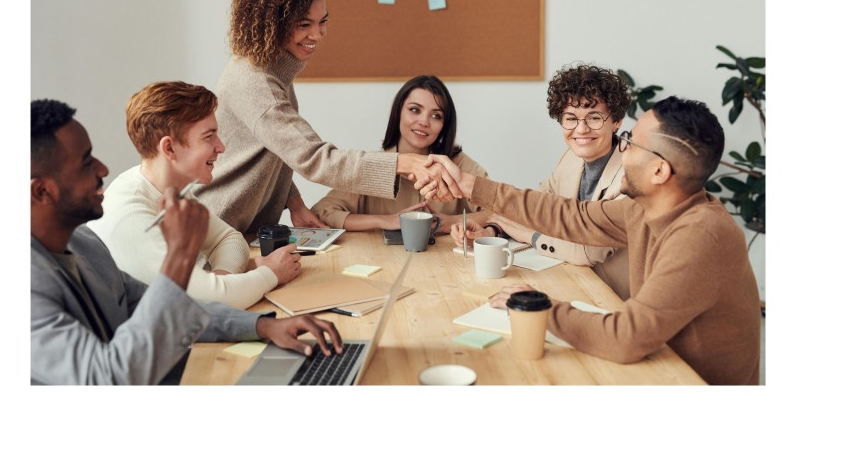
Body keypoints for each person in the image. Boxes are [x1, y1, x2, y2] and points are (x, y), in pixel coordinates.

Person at [426, 96, 761, 385]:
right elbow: (571, 216)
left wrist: (542, 307)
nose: (622, 147)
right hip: (658, 365)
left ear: (659, 171)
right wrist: (472, 186)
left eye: (630, 141)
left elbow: (626, 337)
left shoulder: (700, 235)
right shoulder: (644, 209)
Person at [31, 99, 342, 385]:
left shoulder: (83, 243)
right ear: (41, 191)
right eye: (86, 162)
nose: (103, 169)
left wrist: (262, 327)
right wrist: (179, 256)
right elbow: (108, 379)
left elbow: (170, 308)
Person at [195, 0, 460, 238]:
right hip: (216, 229)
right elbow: (314, 157)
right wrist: (401, 163)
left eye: (323, 22)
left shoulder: (271, 71)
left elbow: (277, 149)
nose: (317, 34)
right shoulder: (256, 82)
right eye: (304, 24)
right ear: (273, 23)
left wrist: (294, 202)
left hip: (237, 230)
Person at [87, 82, 300, 309]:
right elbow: (211, 302)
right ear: (169, 148)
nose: (221, 147)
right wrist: (270, 273)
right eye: (209, 137)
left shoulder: (169, 189)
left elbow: (228, 239)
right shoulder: (131, 216)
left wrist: (221, 281)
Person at [451, 63, 632, 298]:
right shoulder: (570, 159)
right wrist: (493, 231)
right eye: (571, 118)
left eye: (594, 117)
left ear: (616, 121)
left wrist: (530, 236)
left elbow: (587, 252)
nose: (581, 129)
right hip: (574, 284)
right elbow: (534, 208)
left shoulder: (631, 174)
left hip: (615, 299)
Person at [311, 75, 490, 234]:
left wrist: (453, 222)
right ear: (398, 113)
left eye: (436, 116)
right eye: (415, 110)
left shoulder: (458, 165)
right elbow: (322, 212)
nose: (424, 122)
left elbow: (503, 211)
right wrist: (385, 220)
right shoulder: (373, 166)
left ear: (445, 125)